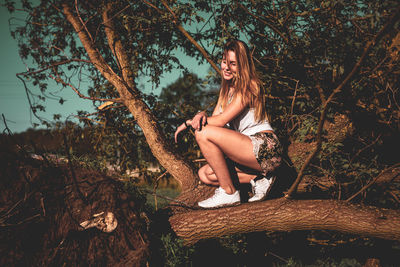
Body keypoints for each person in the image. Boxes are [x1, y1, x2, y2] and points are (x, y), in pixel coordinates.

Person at [174, 39, 282, 209]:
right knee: (206, 174)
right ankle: (260, 179)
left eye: (233, 64)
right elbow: (216, 121)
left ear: (242, 65)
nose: (226, 67)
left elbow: (221, 120)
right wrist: (201, 114)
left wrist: (190, 123)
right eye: (225, 62)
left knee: (202, 132)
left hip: (265, 147)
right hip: (249, 153)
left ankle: (229, 192)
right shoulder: (226, 91)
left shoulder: (250, 85)